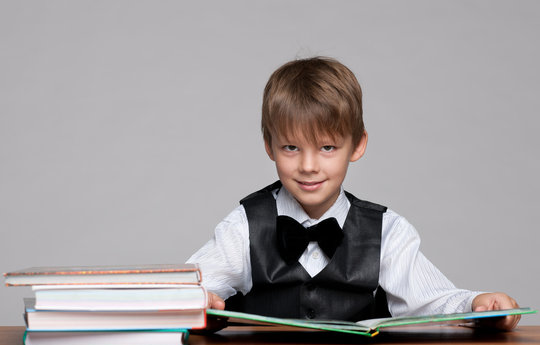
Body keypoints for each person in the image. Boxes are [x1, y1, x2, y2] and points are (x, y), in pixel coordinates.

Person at [187, 56, 520, 330]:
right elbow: (194, 287)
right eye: (291, 147)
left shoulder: (387, 231)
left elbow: (431, 298)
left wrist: (477, 305)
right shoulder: (244, 226)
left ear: (357, 145)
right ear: (269, 146)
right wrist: (203, 300)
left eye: (327, 147)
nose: (308, 165)